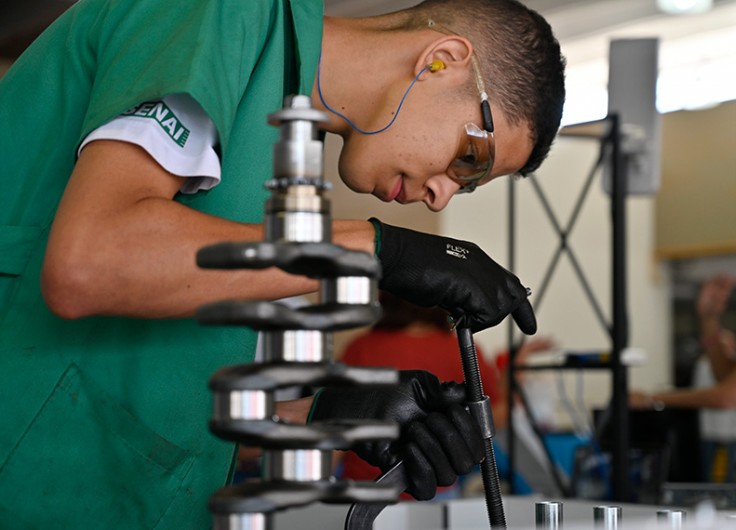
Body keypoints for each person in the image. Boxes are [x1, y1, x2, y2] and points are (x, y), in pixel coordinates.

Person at [0, 0, 565, 527]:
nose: (443, 195)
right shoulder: (221, 12)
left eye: (467, 189)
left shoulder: (274, 145)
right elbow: (92, 261)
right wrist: (376, 250)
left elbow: (155, 369)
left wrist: (332, 411)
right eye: (471, 159)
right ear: (442, 60)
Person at [336, 291, 500, 499]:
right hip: (436, 486)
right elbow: (493, 415)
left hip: (365, 485)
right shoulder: (459, 349)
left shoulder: (361, 348)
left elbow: (333, 423)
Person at [630, 273, 736, 482]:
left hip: (727, 437)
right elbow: (724, 374)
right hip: (711, 434)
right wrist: (709, 318)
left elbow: (728, 396)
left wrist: (650, 399)